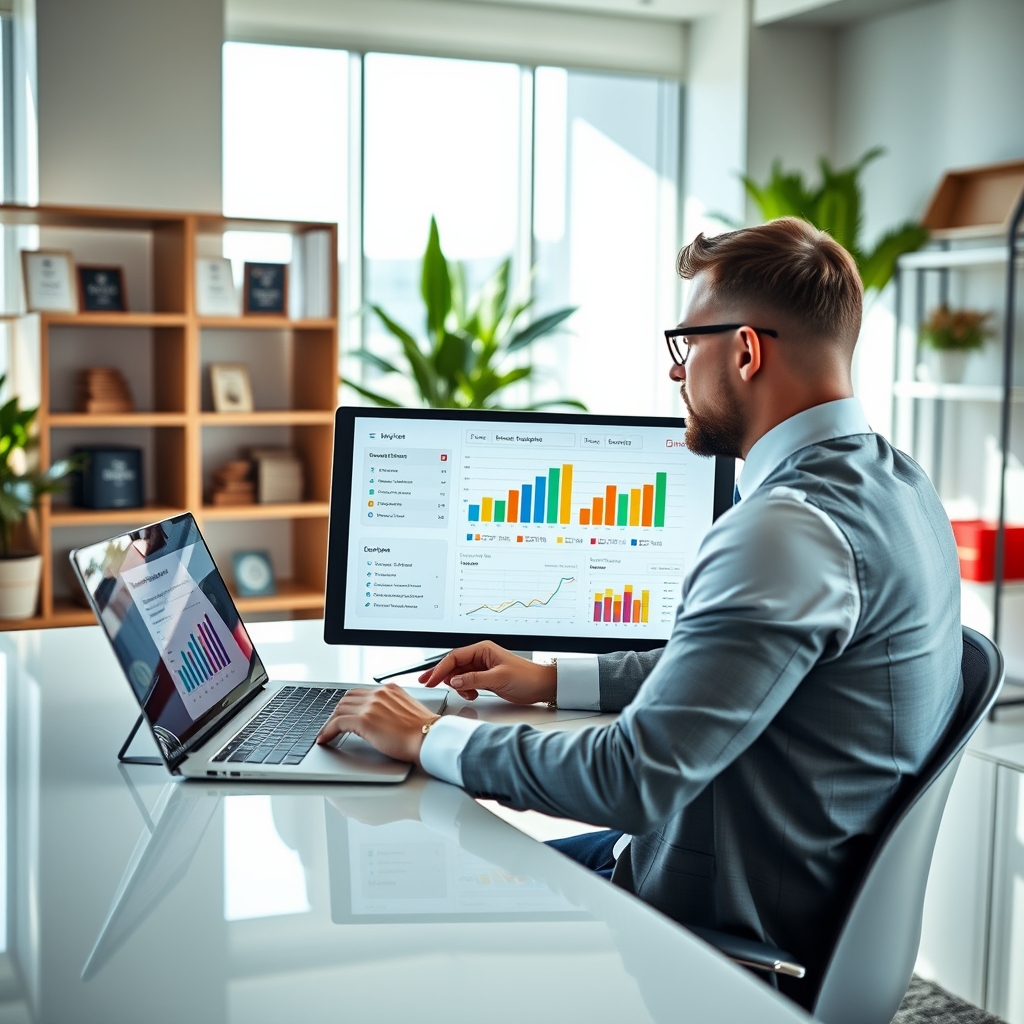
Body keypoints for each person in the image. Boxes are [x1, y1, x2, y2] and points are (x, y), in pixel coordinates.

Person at [317, 217, 962, 1005]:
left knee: (405, 921)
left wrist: (426, 736)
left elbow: (633, 778)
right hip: (757, 886)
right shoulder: (897, 483)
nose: (676, 370)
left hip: (708, 939)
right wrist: (552, 678)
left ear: (746, 351)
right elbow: (733, 669)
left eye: (686, 344)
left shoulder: (784, 530)